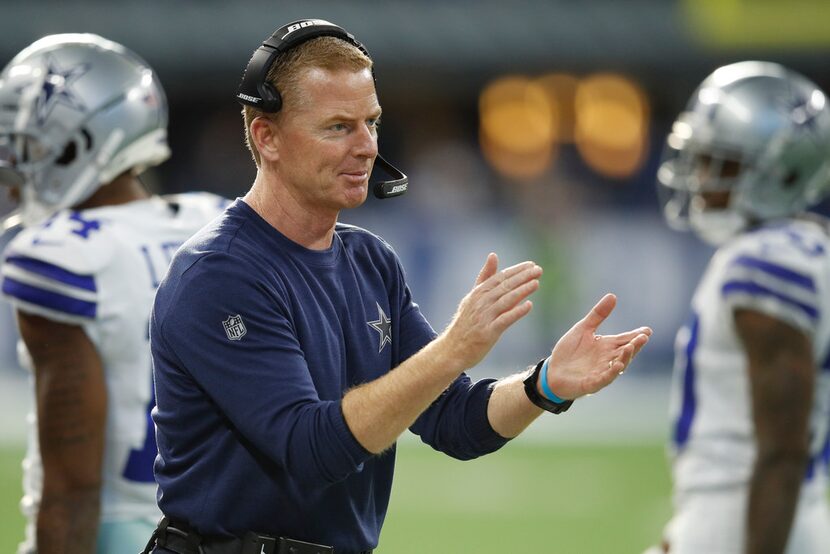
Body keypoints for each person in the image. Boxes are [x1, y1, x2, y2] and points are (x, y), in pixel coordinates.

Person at [144, 19, 652, 554]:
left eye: (372, 122)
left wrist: (544, 384)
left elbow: (456, 420)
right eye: (338, 127)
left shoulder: (369, 260)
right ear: (266, 137)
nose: (366, 146)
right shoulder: (220, 273)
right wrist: (454, 349)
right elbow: (311, 449)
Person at [0, 34, 228, 554]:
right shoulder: (217, 223)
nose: (15, 157)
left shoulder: (59, 257)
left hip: (124, 532)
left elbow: (72, 493)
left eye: (28, 141)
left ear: (80, 139)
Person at [651, 61, 830, 553]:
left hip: (747, 518)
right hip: (746, 514)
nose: (701, 176)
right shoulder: (805, 248)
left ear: (777, 172)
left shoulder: (764, 263)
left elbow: (781, 454)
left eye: (720, 161)